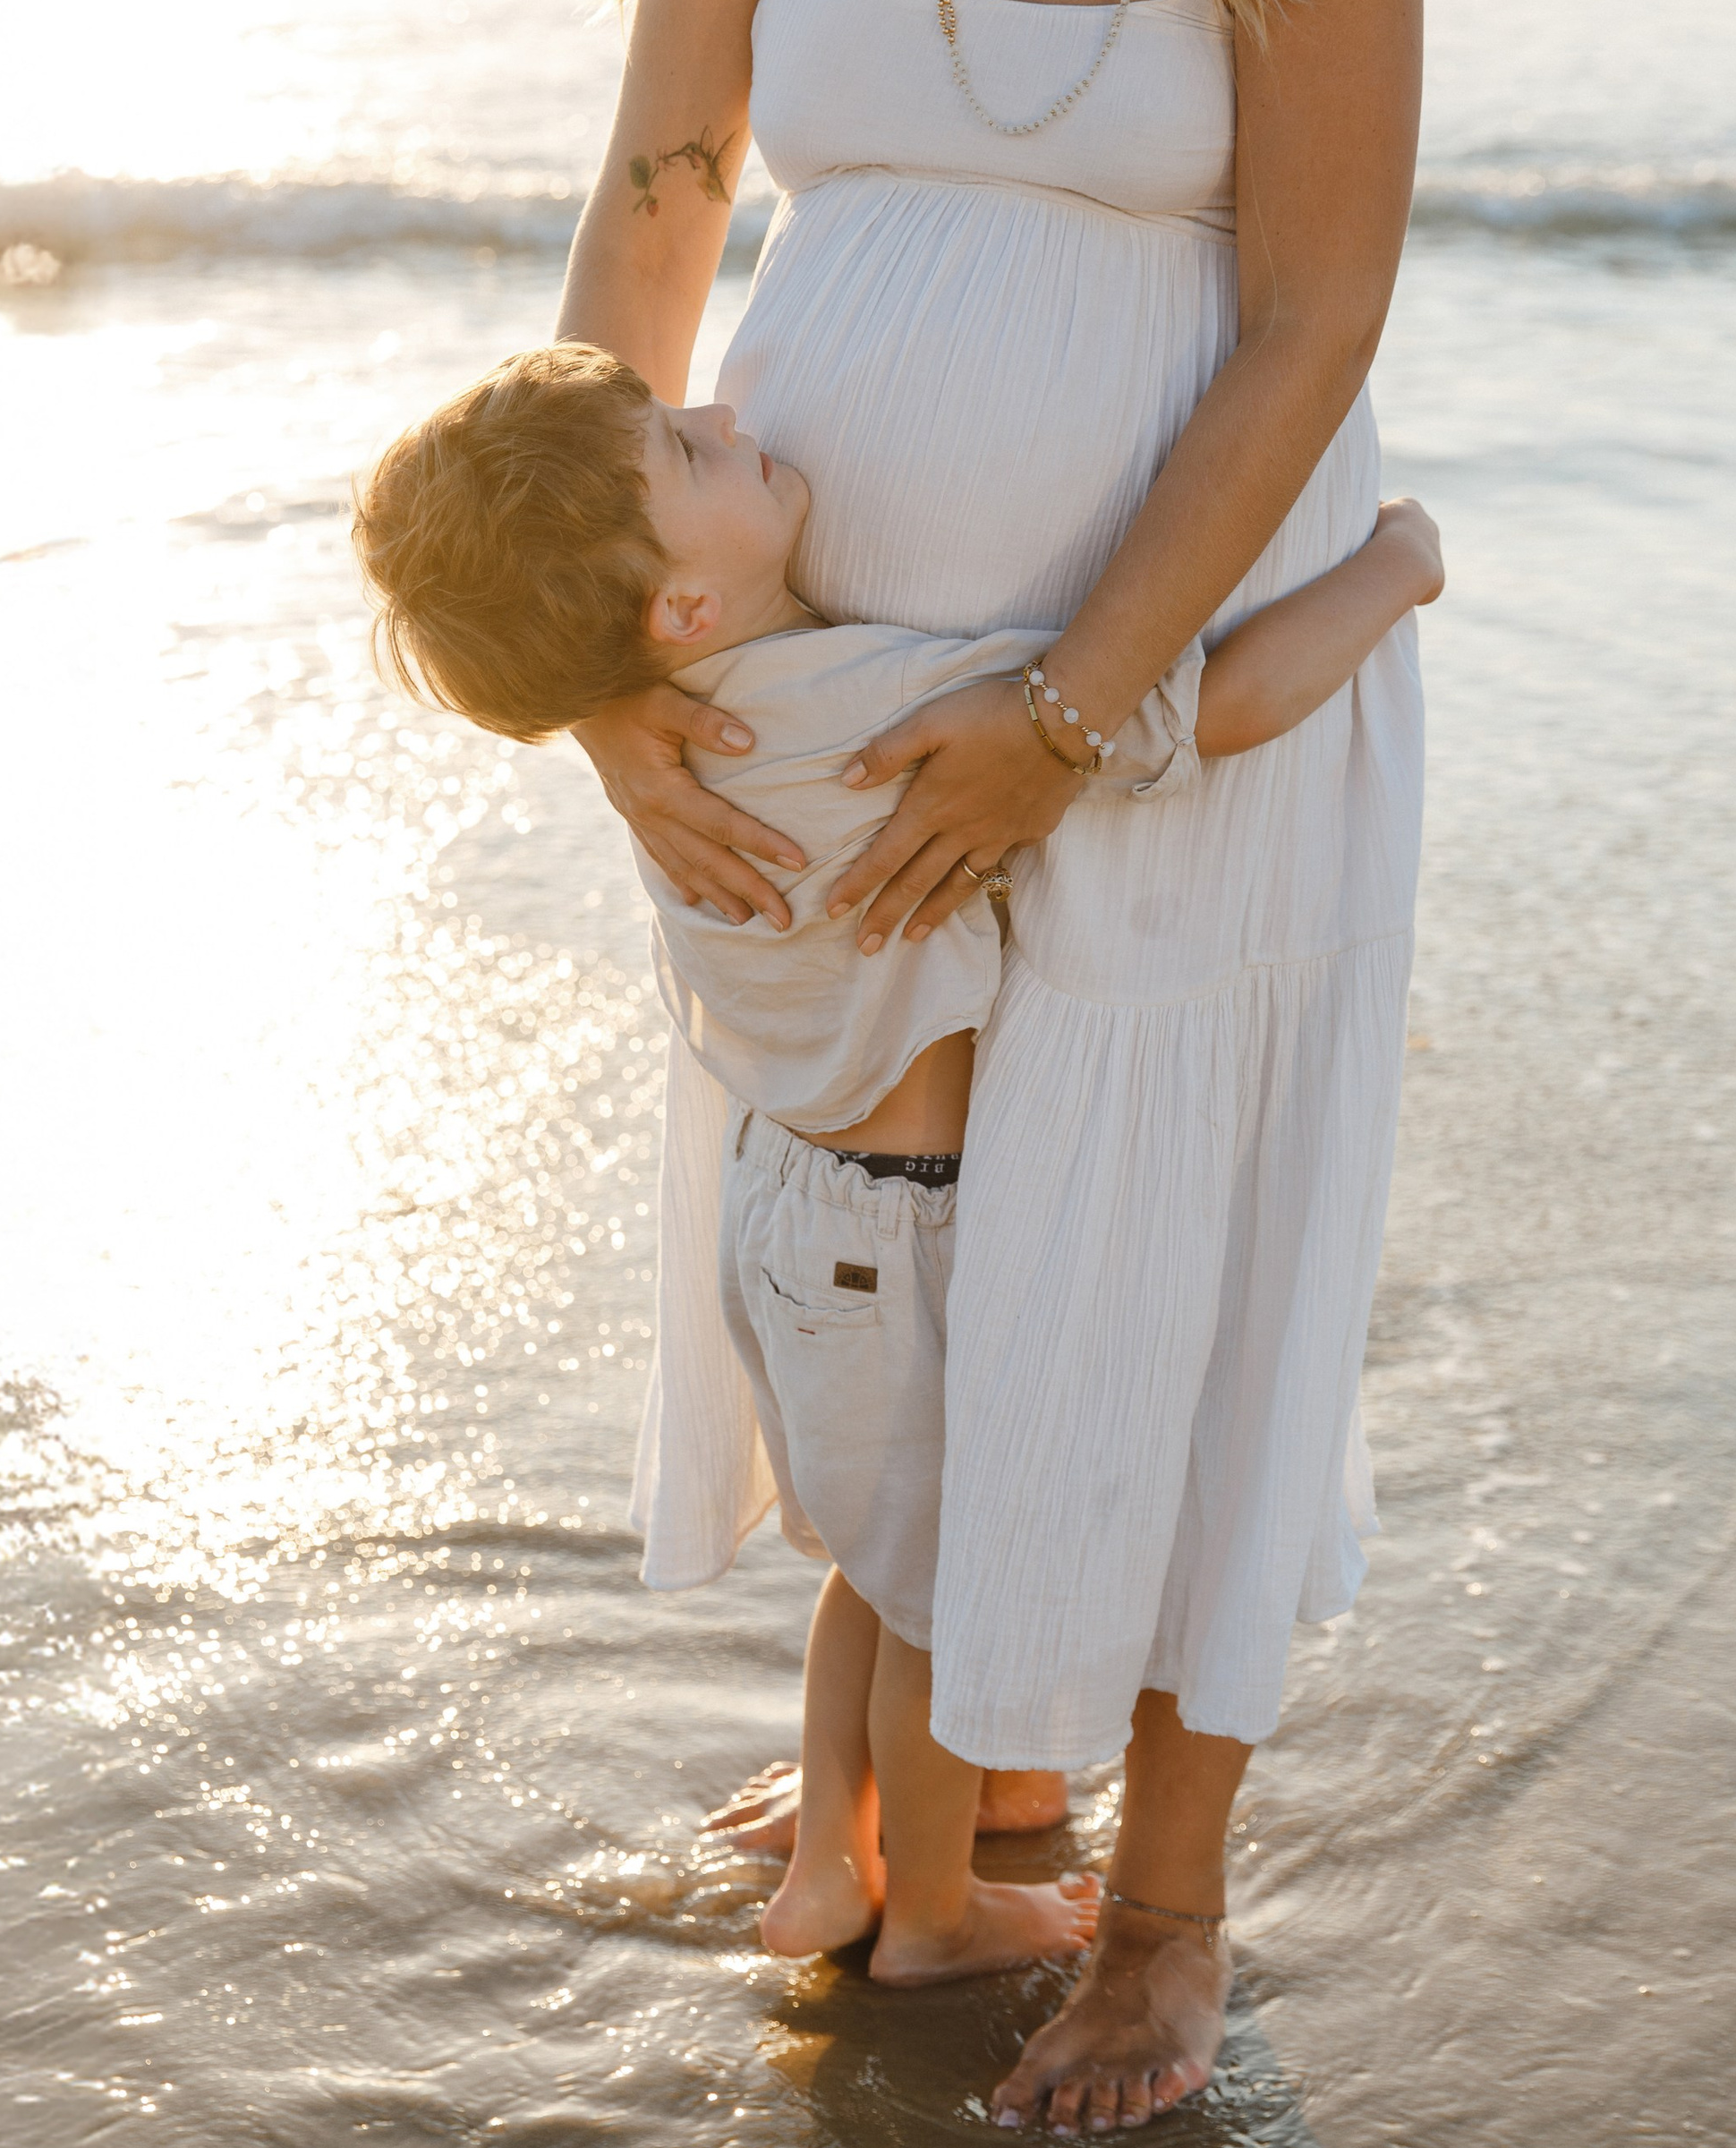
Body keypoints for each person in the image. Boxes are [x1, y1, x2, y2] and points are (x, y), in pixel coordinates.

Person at [557, 0, 1425, 2135]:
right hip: (820, 688)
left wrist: (1075, 711)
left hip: (1186, 674)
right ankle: (942, 1796)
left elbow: (1314, 315)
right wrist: (602, 665)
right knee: (903, 1249)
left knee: (1179, 1251)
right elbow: (659, 203)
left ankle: (1159, 1919)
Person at [351, 342, 1444, 1988]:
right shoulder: (860, 711)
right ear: (681, 607)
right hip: (903, 1235)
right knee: (938, 1599)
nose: (726, 416)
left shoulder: (684, 746)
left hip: (786, 1207)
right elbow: (1204, 706)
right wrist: (1394, 566)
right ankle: (931, 1912)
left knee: (877, 1570)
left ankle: (827, 1865)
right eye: (685, 450)